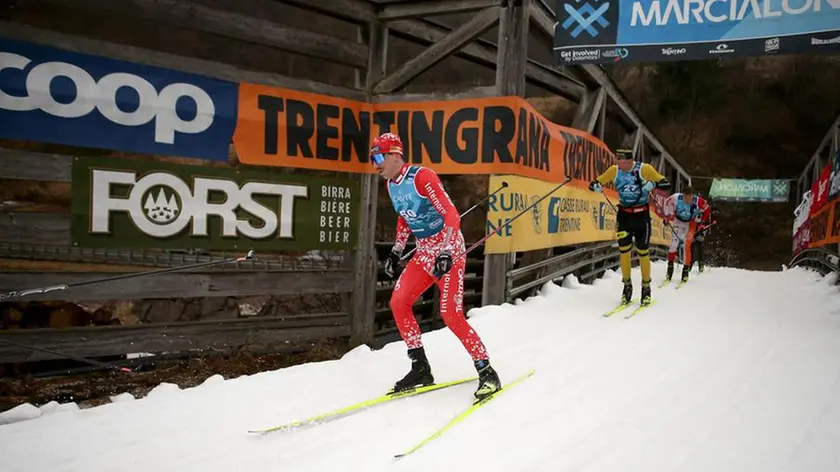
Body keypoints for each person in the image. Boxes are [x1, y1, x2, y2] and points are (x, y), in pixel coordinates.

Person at [371, 132, 501, 401]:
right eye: (373, 158)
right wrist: (396, 252)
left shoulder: (422, 177)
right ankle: (420, 367)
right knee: (399, 302)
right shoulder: (391, 185)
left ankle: (486, 370)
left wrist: (445, 252)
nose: (376, 164)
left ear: (396, 155)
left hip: (448, 250)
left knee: (450, 314)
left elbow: (451, 214)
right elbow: (404, 219)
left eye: (380, 157)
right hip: (424, 252)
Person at [588, 148, 670, 306]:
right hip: (624, 216)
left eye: (626, 162)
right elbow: (595, 182)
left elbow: (665, 183)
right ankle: (627, 286)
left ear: (632, 161)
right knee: (624, 251)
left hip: (641, 216)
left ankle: (646, 288)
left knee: (643, 252)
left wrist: (653, 184)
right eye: (620, 162)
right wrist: (596, 186)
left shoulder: (644, 169)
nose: (623, 165)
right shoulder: (614, 171)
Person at [662, 186, 709, 282]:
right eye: (686, 198)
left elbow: (707, 210)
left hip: (690, 223)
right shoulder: (676, 198)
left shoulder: (698, 201)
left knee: (686, 246)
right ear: (683, 195)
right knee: (673, 245)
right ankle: (669, 270)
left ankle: (685, 271)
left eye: (690, 198)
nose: (688, 200)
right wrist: (667, 216)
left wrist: (702, 222)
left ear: (693, 196)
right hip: (678, 221)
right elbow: (667, 203)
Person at [690, 196, 713, 273]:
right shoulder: (689, 203)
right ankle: (689, 264)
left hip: (701, 226)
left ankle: (701, 264)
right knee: (691, 245)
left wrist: (703, 224)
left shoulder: (703, 204)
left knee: (699, 244)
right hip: (693, 226)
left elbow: (707, 216)